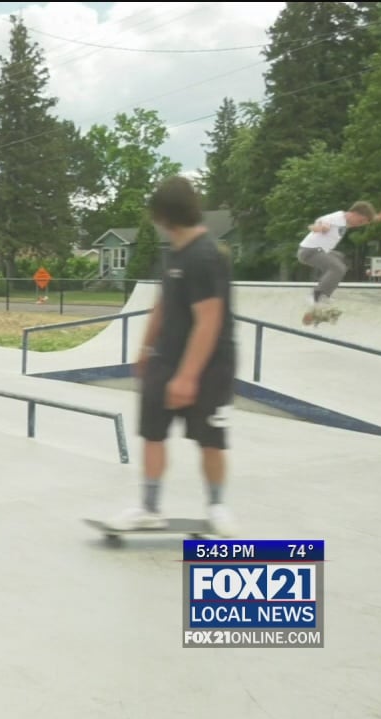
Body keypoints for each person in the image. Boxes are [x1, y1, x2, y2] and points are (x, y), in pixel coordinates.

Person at [106, 176, 238, 537]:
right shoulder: (176, 253)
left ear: (164, 215)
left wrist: (187, 376)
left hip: (209, 368)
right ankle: (149, 508)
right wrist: (146, 350)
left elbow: (209, 321)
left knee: (210, 439)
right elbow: (163, 305)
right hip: (165, 361)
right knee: (152, 434)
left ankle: (216, 507)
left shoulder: (207, 255)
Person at [296, 200, 381, 313]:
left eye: (362, 223)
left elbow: (368, 218)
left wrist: (379, 217)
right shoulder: (335, 218)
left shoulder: (346, 221)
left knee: (341, 258)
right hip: (310, 252)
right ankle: (316, 296)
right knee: (338, 268)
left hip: (320, 251)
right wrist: (320, 228)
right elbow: (316, 224)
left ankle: (324, 290)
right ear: (355, 213)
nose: (358, 224)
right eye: (360, 221)